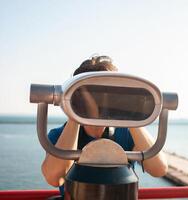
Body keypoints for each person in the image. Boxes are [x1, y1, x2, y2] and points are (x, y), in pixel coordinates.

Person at [41, 56, 168, 196]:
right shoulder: (59, 136)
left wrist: (128, 114)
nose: (101, 103)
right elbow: (54, 178)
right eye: (93, 94)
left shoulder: (126, 134)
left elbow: (159, 169)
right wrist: (76, 113)